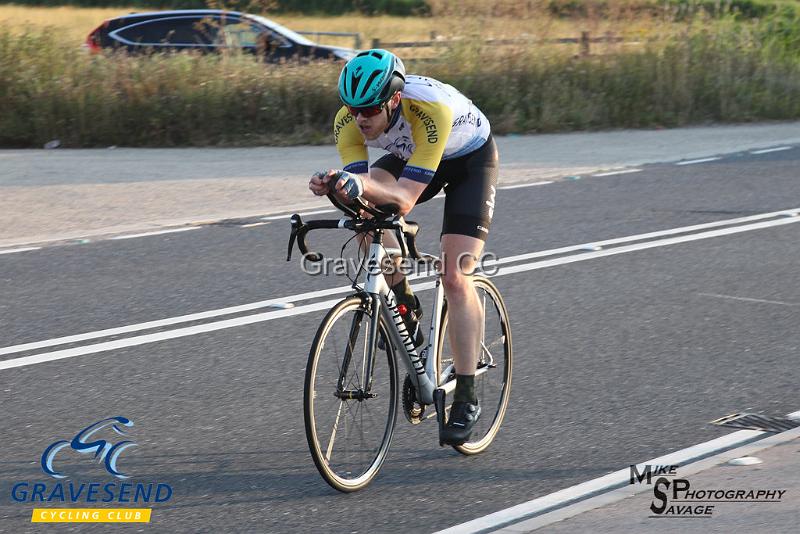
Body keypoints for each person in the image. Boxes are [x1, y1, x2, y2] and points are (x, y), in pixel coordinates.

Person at [308, 49, 498, 446]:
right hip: (411, 156)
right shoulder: (349, 121)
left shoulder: (431, 111)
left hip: (468, 160)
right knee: (361, 211)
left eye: (370, 110)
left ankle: (465, 396)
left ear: (394, 99)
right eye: (353, 109)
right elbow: (363, 192)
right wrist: (339, 187)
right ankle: (404, 301)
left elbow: (404, 198)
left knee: (455, 273)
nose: (361, 119)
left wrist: (357, 186)